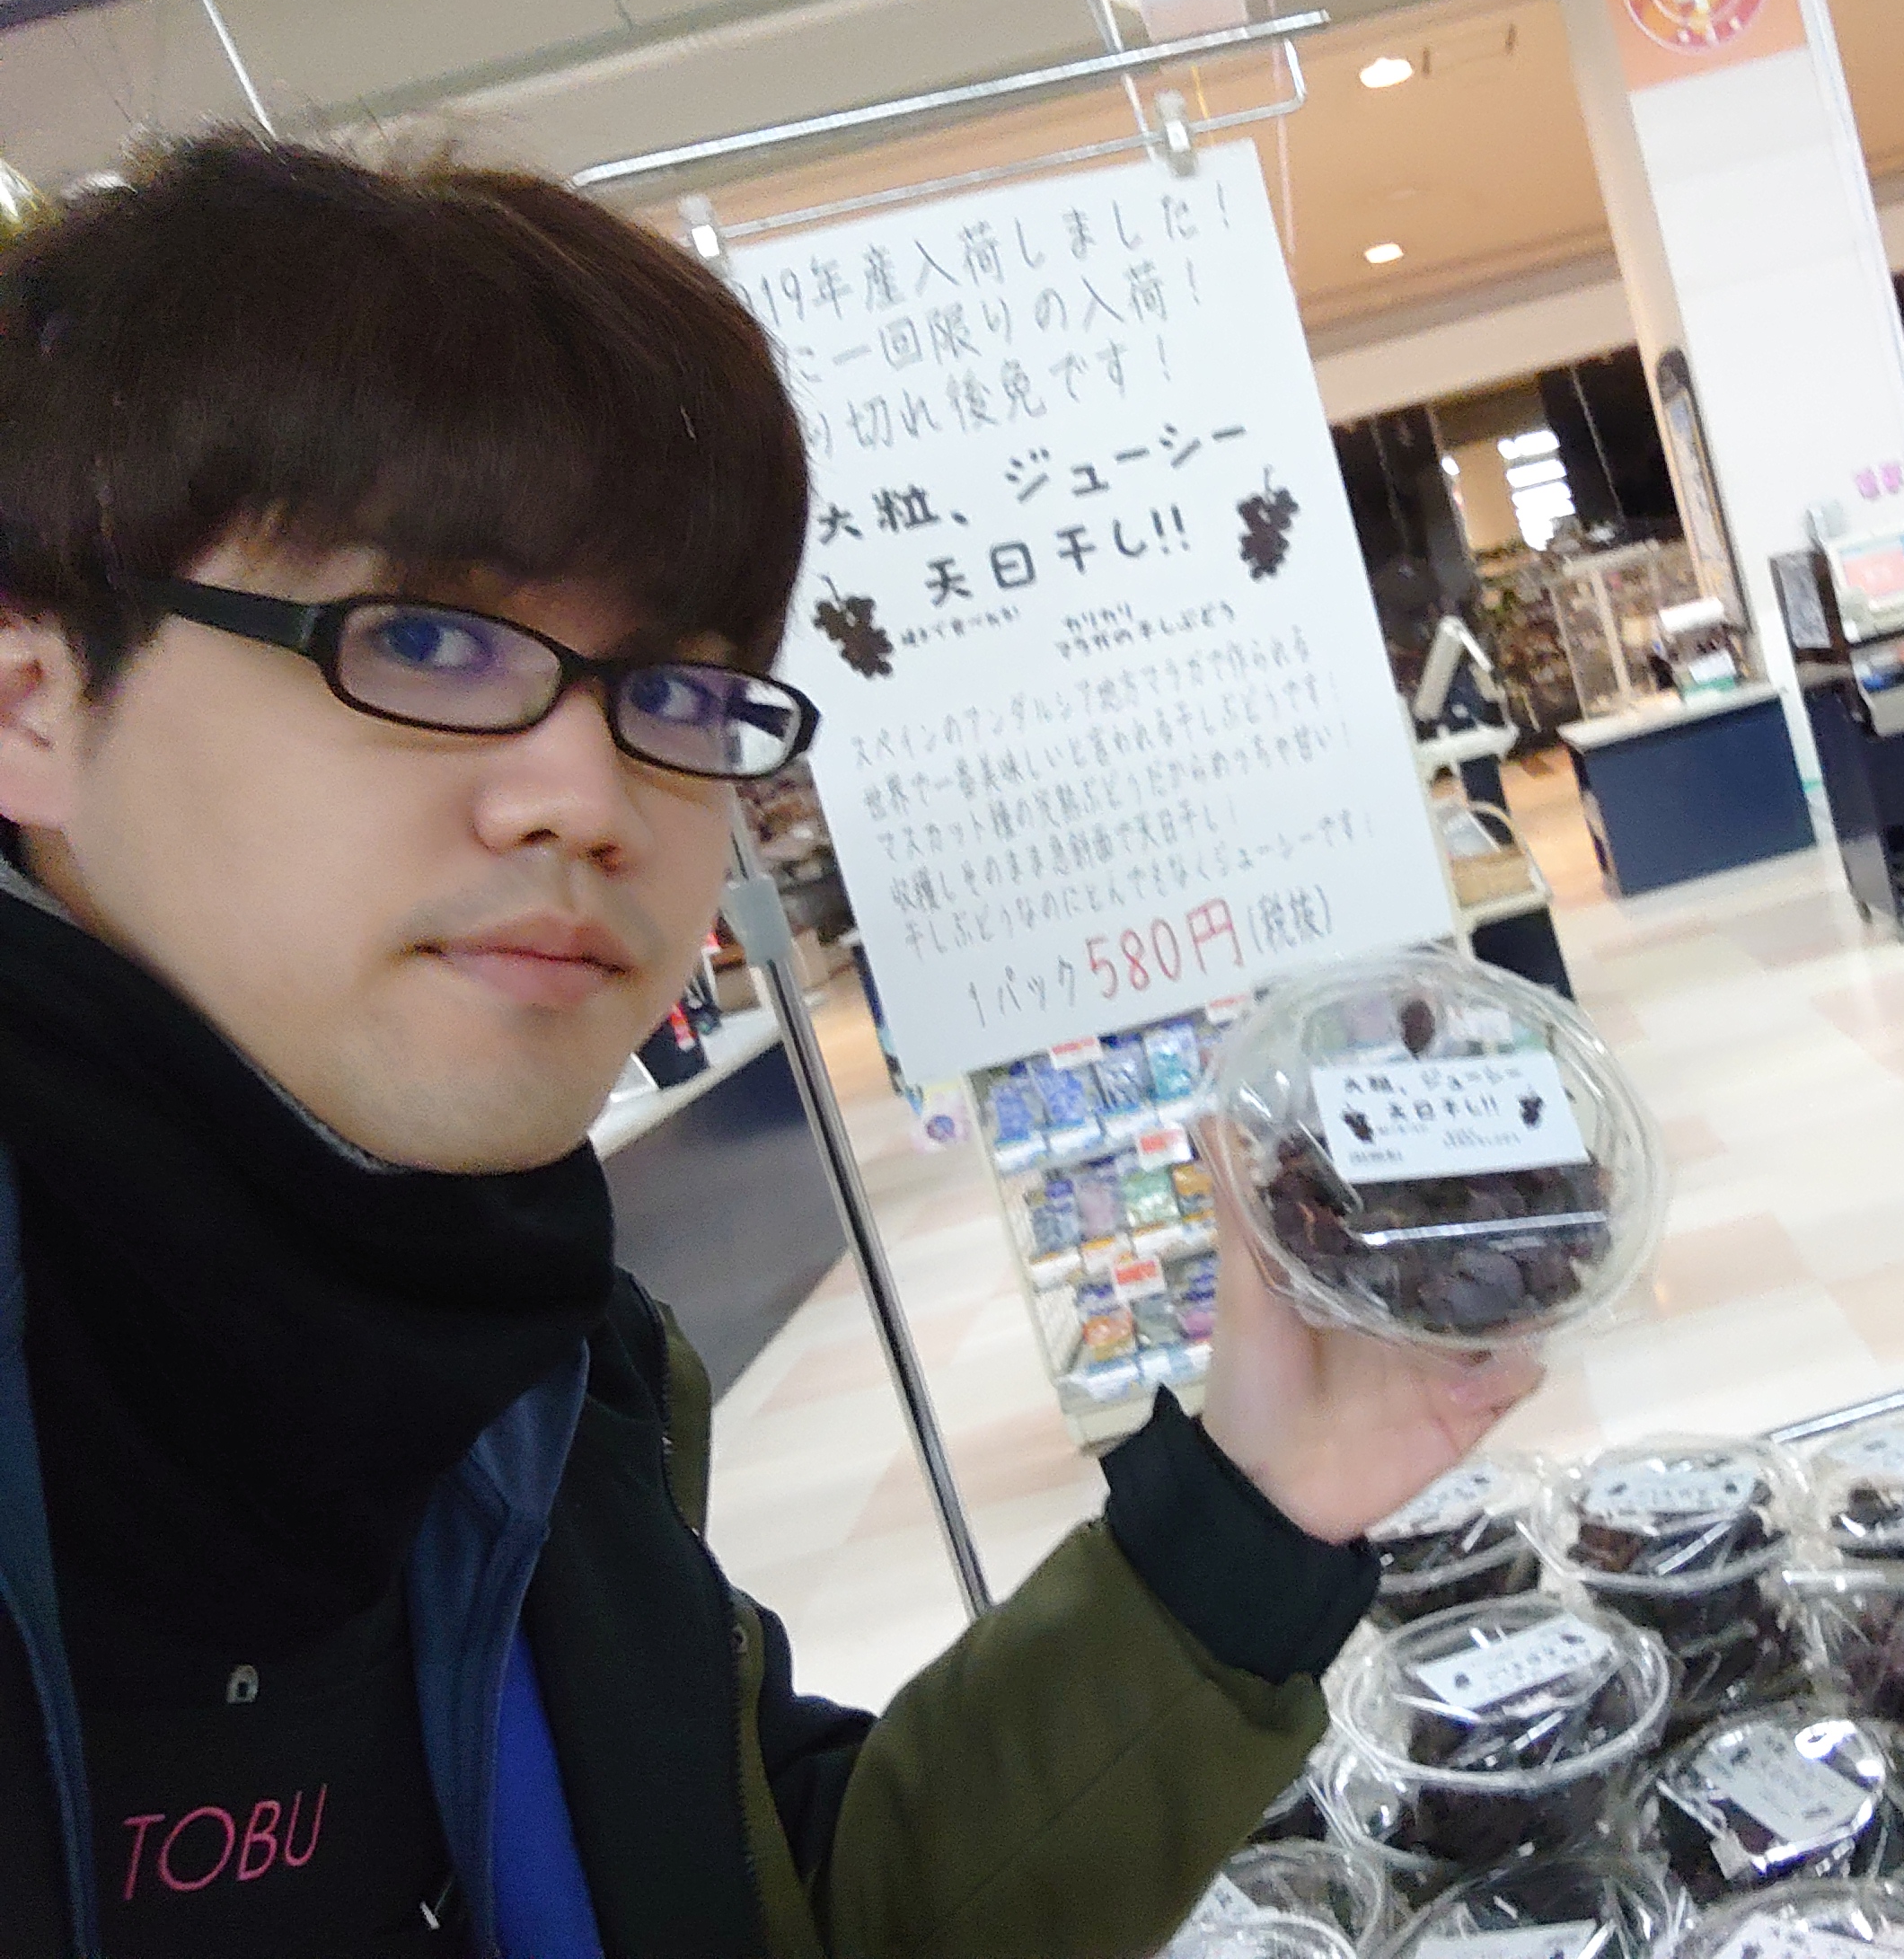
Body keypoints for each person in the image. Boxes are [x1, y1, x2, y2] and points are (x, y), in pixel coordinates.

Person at [0, 136, 1539, 1958]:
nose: (587, 796)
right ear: (33, 707)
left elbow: (769, 1911)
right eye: (421, 640)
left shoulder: (536, 1366)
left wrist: (1261, 1506)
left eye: (670, 689)